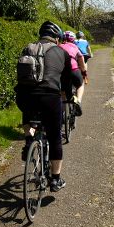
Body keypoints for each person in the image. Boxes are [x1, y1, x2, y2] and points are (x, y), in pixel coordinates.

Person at [15, 21, 72, 192]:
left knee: (27, 108)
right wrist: (67, 97)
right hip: (49, 97)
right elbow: (67, 82)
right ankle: (55, 179)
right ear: (57, 38)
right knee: (55, 136)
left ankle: (28, 139)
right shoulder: (62, 52)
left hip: (24, 97)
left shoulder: (28, 48)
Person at [58, 31, 87, 116]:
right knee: (80, 85)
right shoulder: (75, 47)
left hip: (62, 71)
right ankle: (78, 102)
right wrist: (84, 72)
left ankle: (62, 113)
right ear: (73, 39)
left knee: (62, 91)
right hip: (73, 69)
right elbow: (81, 59)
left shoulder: (58, 47)